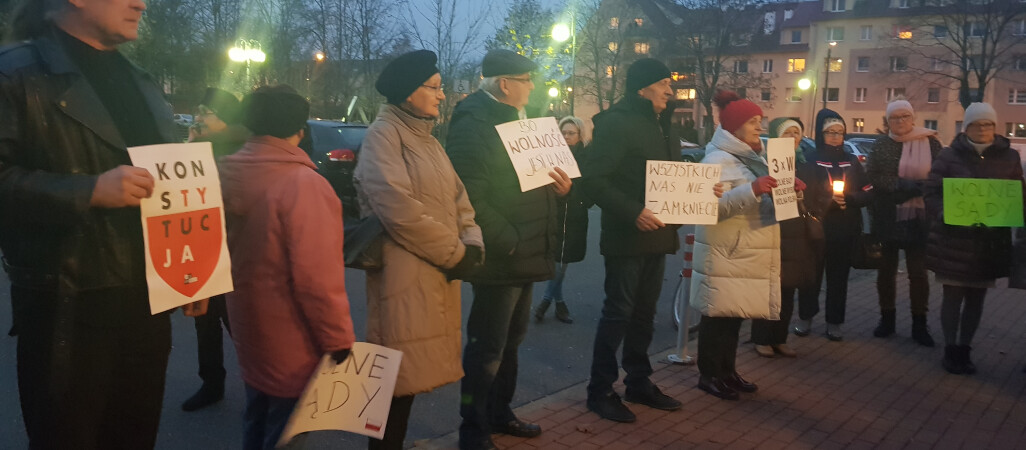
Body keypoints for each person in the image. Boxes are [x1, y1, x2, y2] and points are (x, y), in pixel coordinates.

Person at [0, 1, 207, 448]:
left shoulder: (142, 81)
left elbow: (173, 180)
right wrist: (88, 191)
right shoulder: (15, 74)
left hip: (147, 301)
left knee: (134, 436)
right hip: (67, 305)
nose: (141, 3)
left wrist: (197, 272)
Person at [354, 50, 484, 450]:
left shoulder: (427, 139)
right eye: (435, 87)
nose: (442, 95)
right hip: (405, 277)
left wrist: (472, 241)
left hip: (433, 274)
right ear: (410, 92)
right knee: (394, 382)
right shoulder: (384, 134)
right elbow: (397, 208)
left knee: (406, 383)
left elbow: (460, 198)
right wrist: (454, 253)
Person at [445, 49, 572, 450]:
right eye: (526, 79)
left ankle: (500, 412)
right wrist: (510, 240)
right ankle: (474, 430)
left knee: (511, 342)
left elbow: (530, 181)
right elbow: (470, 194)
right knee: (487, 349)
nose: (533, 86)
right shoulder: (473, 123)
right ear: (504, 84)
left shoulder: (521, 121)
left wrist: (561, 188)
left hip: (527, 250)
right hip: (504, 253)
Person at [219, 85, 355, 450]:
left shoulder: (225, 173)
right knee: (287, 431)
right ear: (300, 129)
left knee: (257, 415)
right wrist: (338, 340)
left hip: (249, 328)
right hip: (293, 338)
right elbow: (317, 280)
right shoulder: (303, 184)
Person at [579, 59, 685, 423]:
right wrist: (632, 212)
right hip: (627, 237)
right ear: (641, 88)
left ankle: (638, 382)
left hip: (659, 237)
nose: (670, 91)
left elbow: (675, 182)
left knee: (644, 314)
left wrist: (700, 194)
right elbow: (592, 180)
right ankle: (600, 389)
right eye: (663, 84)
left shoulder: (667, 127)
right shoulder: (616, 124)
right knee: (618, 314)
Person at [691, 90, 794, 401]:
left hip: (744, 250)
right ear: (735, 126)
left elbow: (765, 196)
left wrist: (790, 191)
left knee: (734, 315)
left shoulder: (753, 156)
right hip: (726, 251)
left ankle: (727, 371)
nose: (759, 127)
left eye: (760, 121)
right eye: (753, 121)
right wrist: (752, 189)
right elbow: (711, 207)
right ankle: (709, 375)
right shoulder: (717, 158)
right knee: (717, 318)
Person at [924, 103, 1025, 374]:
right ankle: (950, 349)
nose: (982, 129)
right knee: (953, 296)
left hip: (987, 243)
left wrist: (1010, 213)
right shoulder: (948, 156)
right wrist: (944, 211)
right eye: (977, 124)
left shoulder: (1010, 157)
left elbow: (1017, 194)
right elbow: (931, 191)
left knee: (976, 298)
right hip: (954, 240)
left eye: (988, 124)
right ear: (966, 127)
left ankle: (965, 349)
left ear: (995, 127)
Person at [181, 87, 245, 412]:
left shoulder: (241, 150)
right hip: (201, 247)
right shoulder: (199, 146)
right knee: (202, 320)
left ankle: (266, 383)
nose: (200, 117)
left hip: (234, 249)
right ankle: (211, 382)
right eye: (199, 110)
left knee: (237, 320)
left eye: (208, 111)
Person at [867, 99, 941, 347]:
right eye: (894, 118)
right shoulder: (881, 144)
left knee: (918, 273)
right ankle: (887, 319)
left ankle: (920, 324)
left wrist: (925, 186)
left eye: (904, 117)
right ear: (887, 121)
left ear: (913, 118)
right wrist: (899, 185)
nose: (900, 122)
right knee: (886, 271)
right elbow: (873, 175)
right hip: (888, 215)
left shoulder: (930, 142)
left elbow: (941, 174)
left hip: (919, 218)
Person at [791, 109, 870, 341]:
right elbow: (803, 194)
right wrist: (828, 201)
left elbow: (868, 191)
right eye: (830, 132)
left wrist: (851, 199)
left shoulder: (851, 161)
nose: (836, 137)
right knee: (811, 278)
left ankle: (834, 322)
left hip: (844, 230)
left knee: (838, 279)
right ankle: (805, 317)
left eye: (840, 132)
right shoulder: (811, 159)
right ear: (821, 134)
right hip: (817, 228)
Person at [751, 117, 812, 357]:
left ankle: (780, 337)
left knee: (788, 287)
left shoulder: (805, 163)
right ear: (777, 137)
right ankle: (761, 337)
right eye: (787, 133)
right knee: (769, 287)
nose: (793, 137)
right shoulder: (765, 163)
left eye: (797, 133)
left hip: (796, 231)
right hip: (773, 228)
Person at [534, 116, 591, 324]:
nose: (566, 137)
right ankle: (559, 303)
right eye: (563, 133)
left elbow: (589, 193)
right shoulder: (551, 155)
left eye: (571, 133)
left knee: (561, 262)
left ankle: (547, 301)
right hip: (552, 214)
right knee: (554, 259)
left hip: (574, 218)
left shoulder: (587, 158)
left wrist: (571, 191)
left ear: (580, 136)